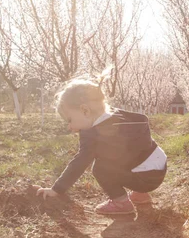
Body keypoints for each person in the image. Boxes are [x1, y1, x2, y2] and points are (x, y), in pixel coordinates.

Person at [35, 77, 167, 215]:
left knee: (100, 168)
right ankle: (141, 194)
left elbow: (79, 163)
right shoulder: (121, 116)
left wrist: (57, 189)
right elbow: (141, 120)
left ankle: (121, 202)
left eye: (70, 120)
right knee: (127, 154)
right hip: (159, 170)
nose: (70, 127)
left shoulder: (91, 134)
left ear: (85, 110)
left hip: (143, 178)